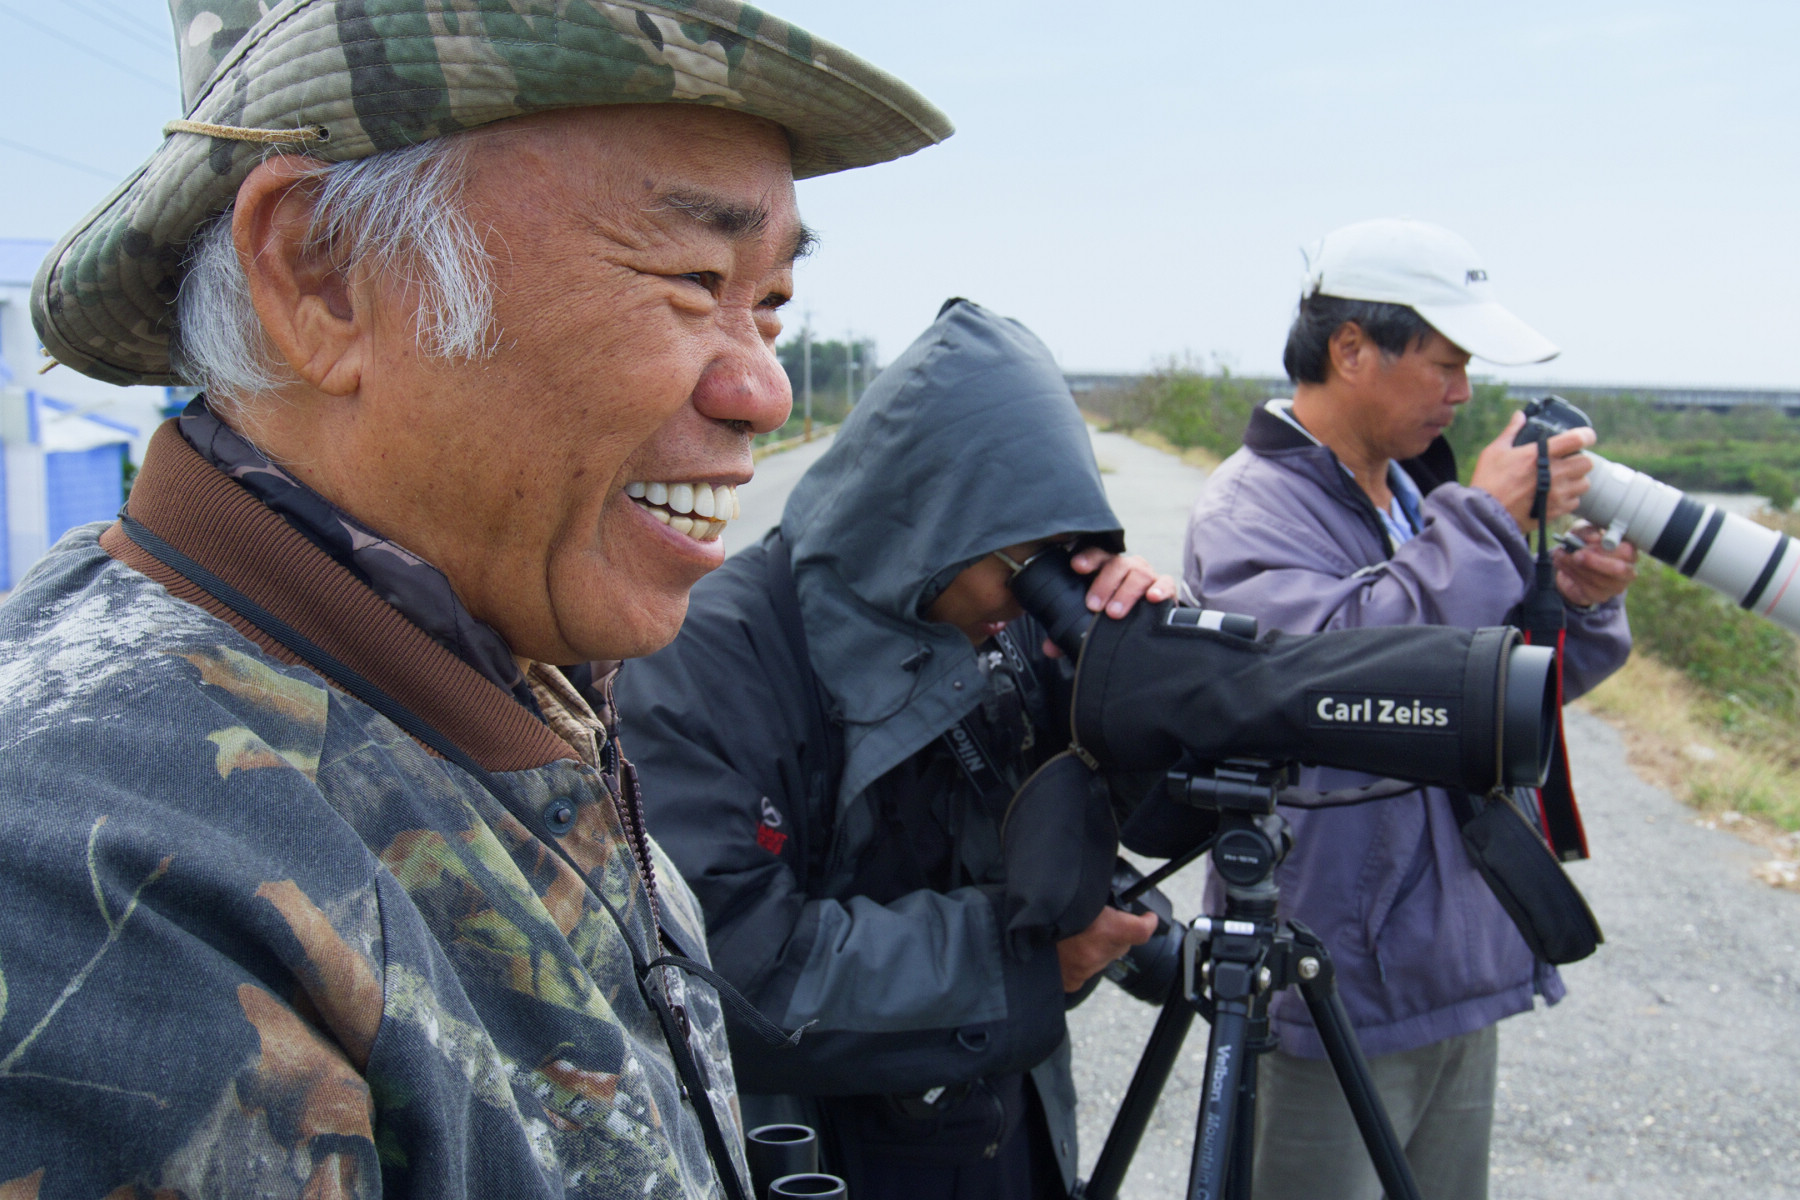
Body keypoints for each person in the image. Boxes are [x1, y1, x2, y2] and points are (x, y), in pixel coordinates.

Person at [0, 2, 950, 1195]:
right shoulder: (96, 903)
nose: (763, 389)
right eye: (693, 276)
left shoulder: (486, 664)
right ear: (324, 276)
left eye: (769, 303)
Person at [616, 299, 1167, 1200]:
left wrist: (1139, 674)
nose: (1023, 599)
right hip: (813, 1157)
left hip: (1000, 1129)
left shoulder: (1000, 625)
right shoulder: (701, 659)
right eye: (1018, 564)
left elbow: (1149, 808)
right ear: (932, 526)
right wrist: (1026, 962)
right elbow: (736, 974)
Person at [1182, 218, 1637, 1200]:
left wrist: (1581, 603)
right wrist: (1482, 526)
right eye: (1446, 362)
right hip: (1335, 971)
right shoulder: (1250, 506)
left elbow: (1494, 699)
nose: (1463, 393)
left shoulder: (1414, 496)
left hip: (1453, 955)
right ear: (1351, 349)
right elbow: (1343, 679)